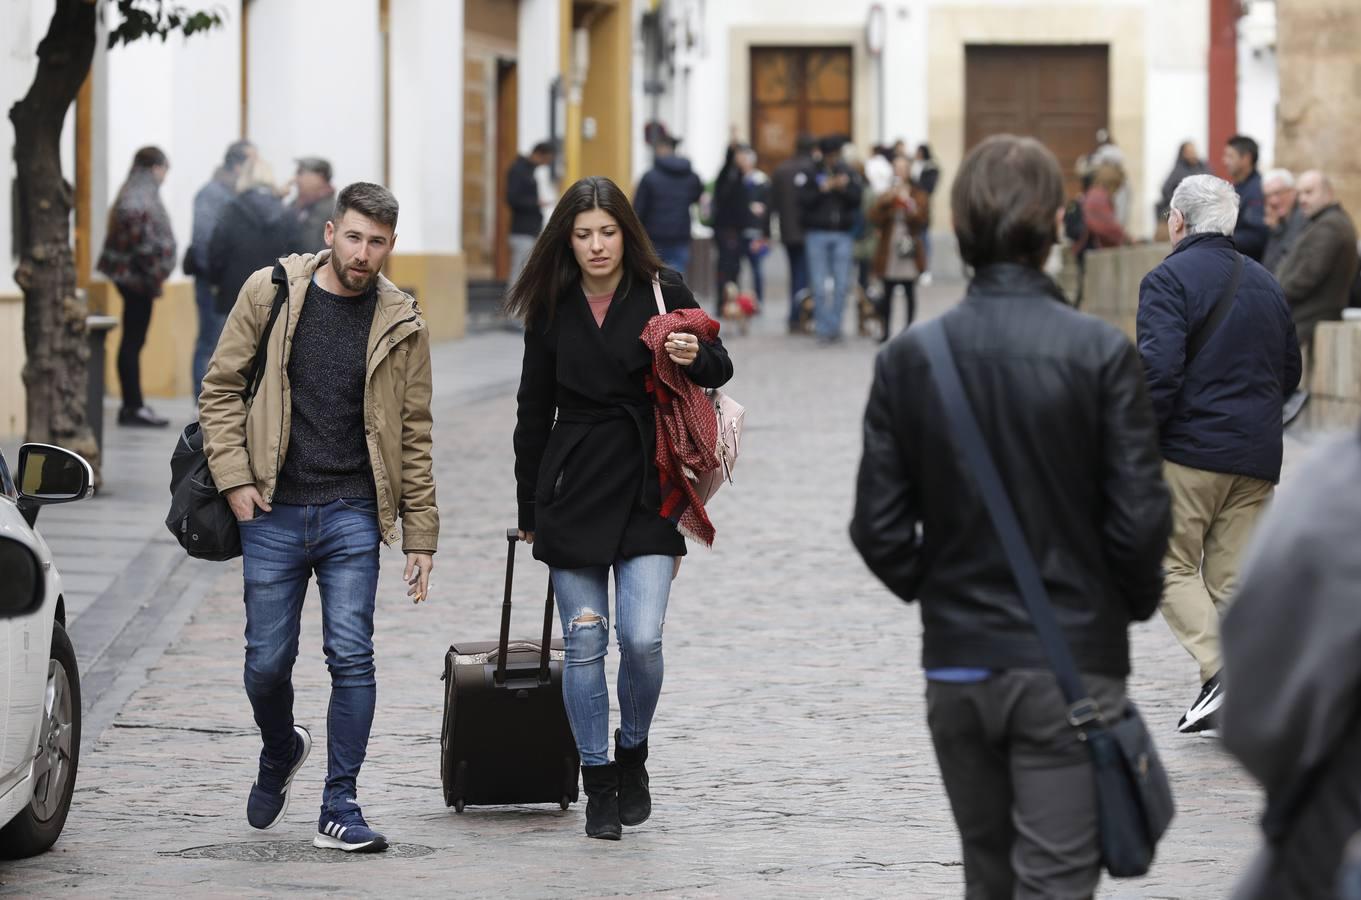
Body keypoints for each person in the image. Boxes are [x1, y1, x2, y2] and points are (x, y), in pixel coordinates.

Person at [851, 134, 1170, 899]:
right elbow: (1138, 517)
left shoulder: (911, 358)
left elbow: (879, 529)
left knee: (988, 876)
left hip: (959, 663)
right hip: (1071, 661)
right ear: (1055, 225)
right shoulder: (1099, 352)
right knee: (1053, 883)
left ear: (959, 227)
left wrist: (947, 592)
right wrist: (1117, 606)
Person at [199, 182, 438, 854]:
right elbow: (219, 389)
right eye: (355, 237)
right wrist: (234, 479)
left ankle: (341, 803)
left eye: (379, 241)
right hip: (271, 509)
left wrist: (420, 535)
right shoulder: (270, 290)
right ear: (331, 232)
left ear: (392, 244)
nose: (364, 254)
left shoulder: (402, 321)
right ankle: (281, 748)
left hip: (351, 513)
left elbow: (415, 432)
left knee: (352, 656)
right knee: (265, 666)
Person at [507, 176, 733, 841]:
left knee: (640, 637)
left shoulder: (661, 288)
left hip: (647, 480)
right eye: (582, 235)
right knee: (583, 641)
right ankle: (598, 777)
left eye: (607, 232)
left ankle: (632, 749)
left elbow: (718, 367)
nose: (596, 245)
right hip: (571, 485)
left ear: (624, 233)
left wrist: (696, 354)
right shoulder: (550, 304)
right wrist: (528, 505)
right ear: (565, 240)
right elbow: (530, 410)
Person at [1136, 174, 1301, 735]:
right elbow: (1290, 373)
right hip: (1255, 455)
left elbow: (1158, 374)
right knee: (1232, 580)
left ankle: (1225, 673)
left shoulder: (1167, 279)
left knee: (1168, 564)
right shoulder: (1266, 282)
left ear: (1178, 221)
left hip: (1190, 451)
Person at [1220, 428, 1361, 900]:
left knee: (1183, 567)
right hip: (1253, 454)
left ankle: (1207, 669)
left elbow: (1260, 709)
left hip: (1342, 824)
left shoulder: (1341, 482)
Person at [98, 146, 177, 428]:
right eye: (166, 170)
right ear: (157, 167)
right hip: (137, 280)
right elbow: (141, 237)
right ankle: (133, 406)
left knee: (133, 341)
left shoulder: (134, 188)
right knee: (132, 341)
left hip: (134, 278)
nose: (166, 177)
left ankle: (134, 404)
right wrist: (155, 271)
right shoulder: (139, 194)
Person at [189, 140, 255, 400]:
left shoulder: (233, 194)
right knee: (210, 339)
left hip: (226, 282)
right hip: (213, 283)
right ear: (237, 165)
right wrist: (217, 278)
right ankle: (201, 397)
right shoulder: (212, 194)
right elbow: (204, 240)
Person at [1274, 170, 1360, 361]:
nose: (1302, 199)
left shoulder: (1331, 225)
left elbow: (1306, 277)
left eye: (1309, 192)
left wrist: (1274, 293)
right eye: (1300, 194)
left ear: (1328, 193)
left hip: (1309, 321)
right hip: (1303, 320)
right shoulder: (1322, 222)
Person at [206, 158, 296, 319]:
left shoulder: (230, 210)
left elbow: (216, 251)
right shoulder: (286, 213)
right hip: (273, 292)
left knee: (234, 342)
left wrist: (215, 282)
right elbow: (294, 253)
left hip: (234, 292)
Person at [801, 135, 863, 344]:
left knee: (842, 284)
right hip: (817, 233)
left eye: (835, 155)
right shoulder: (811, 172)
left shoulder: (848, 171)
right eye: (829, 156)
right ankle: (823, 328)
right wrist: (823, 188)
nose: (832, 160)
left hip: (842, 233)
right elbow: (803, 201)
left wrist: (843, 188)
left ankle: (835, 327)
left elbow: (857, 200)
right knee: (818, 285)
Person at [867, 155, 929, 339]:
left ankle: (908, 330)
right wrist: (889, 202)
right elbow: (874, 217)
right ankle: (885, 330)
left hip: (909, 245)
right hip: (890, 246)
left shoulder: (918, 193)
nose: (900, 171)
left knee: (909, 290)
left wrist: (908, 205)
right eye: (897, 167)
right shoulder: (886, 192)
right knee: (888, 290)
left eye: (903, 167)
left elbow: (922, 220)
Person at [633, 132, 703, 275]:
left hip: (653, 238)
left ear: (660, 149)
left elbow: (638, 210)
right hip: (680, 236)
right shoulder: (690, 176)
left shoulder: (649, 177)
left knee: (652, 279)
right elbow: (697, 196)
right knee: (677, 279)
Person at [771, 134, 817, 332]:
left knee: (796, 274)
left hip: (788, 231)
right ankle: (799, 315)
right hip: (809, 230)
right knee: (805, 276)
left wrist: (766, 229)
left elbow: (772, 203)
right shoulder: (813, 169)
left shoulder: (781, 170)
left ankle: (796, 315)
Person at [709, 140, 749, 315]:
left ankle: (730, 302)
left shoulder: (736, 174)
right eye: (741, 155)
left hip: (733, 229)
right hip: (728, 230)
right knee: (727, 267)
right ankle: (725, 303)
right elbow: (729, 202)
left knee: (732, 267)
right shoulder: (729, 174)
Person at [507, 142, 555, 287]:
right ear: (539, 154)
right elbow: (512, 199)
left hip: (533, 229)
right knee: (519, 272)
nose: (546, 164)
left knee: (528, 272)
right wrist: (536, 203)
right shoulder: (518, 170)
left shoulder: (533, 172)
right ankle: (512, 308)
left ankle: (522, 307)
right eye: (546, 160)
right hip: (522, 230)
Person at [1223, 135, 1269, 262]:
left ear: (1246, 158)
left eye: (1230, 156)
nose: (1225, 161)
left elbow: (1256, 237)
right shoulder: (1238, 187)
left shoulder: (1257, 191)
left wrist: (1219, 238)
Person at [736, 145, 772, 307]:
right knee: (736, 267)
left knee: (756, 267)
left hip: (755, 231)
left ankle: (758, 300)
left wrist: (766, 233)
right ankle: (737, 299)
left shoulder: (760, 180)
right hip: (738, 230)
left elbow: (766, 208)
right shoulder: (735, 179)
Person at [1262, 168, 1307, 274]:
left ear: (1293, 192)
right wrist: (1275, 229)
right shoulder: (1280, 220)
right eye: (1268, 196)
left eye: (1278, 193)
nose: (1273, 201)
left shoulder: (1302, 218)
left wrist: (1276, 231)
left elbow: (1282, 266)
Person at [288, 157, 335, 254]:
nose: (295, 179)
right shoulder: (294, 205)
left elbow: (317, 253)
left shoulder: (334, 211)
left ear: (320, 177)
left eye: (300, 173)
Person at [1079, 164, 1131, 251]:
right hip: (1088, 249)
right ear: (1112, 183)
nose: (1116, 192)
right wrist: (1128, 239)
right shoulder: (1099, 197)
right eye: (1117, 186)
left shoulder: (1093, 193)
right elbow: (1109, 227)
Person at [1158, 141, 1209, 221]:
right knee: (1166, 215)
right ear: (1183, 154)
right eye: (1190, 152)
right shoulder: (1178, 171)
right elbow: (1165, 190)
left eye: (1194, 151)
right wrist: (1179, 202)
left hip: (1203, 207)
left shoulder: (1204, 167)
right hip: (1183, 210)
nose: (1193, 154)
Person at [912, 143, 940, 281]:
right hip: (912, 206)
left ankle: (925, 269)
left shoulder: (930, 168)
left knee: (924, 237)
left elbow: (929, 187)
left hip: (923, 207)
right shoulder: (913, 165)